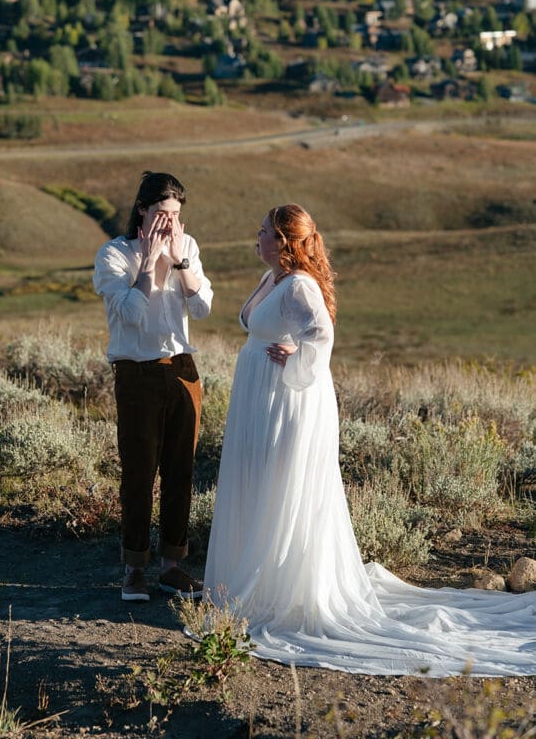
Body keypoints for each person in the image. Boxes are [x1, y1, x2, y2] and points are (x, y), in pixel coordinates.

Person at [204, 203, 536, 675]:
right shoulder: (273, 278)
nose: (254, 238)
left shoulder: (298, 285)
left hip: (287, 401)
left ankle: (277, 589)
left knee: (280, 489)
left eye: (262, 233)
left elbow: (321, 334)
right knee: (257, 484)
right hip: (261, 398)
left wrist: (296, 359)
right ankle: (252, 578)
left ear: (284, 243)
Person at [94, 171, 213, 602]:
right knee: (139, 473)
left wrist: (179, 262)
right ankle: (134, 569)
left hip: (183, 369)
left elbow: (202, 307)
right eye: (163, 214)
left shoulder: (189, 246)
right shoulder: (114, 255)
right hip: (137, 373)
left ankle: (172, 566)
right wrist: (147, 265)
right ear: (142, 210)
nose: (170, 224)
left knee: (181, 471)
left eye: (177, 215)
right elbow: (130, 315)